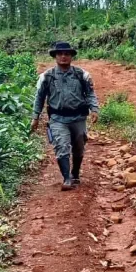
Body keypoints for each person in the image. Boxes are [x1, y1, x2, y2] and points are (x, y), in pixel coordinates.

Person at [30, 42, 100, 190]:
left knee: (79, 148)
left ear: (71, 57)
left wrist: (94, 109)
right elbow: (39, 98)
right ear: (55, 56)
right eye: (60, 54)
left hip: (78, 118)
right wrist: (35, 117)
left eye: (67, 54)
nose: (63, 56)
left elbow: (90, 94)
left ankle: (75, 173)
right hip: (57, 119)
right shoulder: (46, 77)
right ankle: (67, 178)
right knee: (61, 146)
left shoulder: (82, 75)